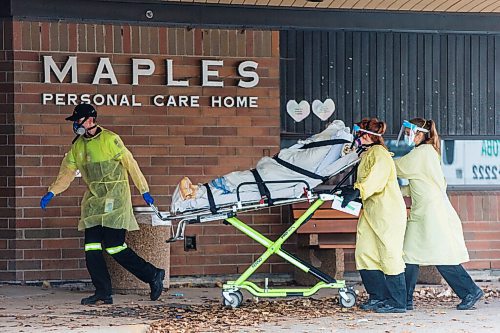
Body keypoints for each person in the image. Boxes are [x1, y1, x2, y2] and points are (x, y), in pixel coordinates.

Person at [40, 103, 165, 305]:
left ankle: (153, 275)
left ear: (90, 120)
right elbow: (67, 173)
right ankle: (103, 292)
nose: (75, 125)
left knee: (115, 247)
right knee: (92, 248)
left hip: (115, 201)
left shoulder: (110, 140)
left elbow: (130, 163)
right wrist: (52, 192)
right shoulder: (77, 146)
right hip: (94, 202)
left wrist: (144, 190)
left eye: (77, 121)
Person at [394, 118, 483, 311]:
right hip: (427, 212)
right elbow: (417, 185)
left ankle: (470, 291)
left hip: (431, 214)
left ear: (421, 133)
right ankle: (405, 299)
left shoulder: (422, 153)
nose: (409, 136)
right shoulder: (426, 152)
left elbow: (396, 167)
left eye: (412, 132)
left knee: (441, 257)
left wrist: (379, 157)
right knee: (410, 255)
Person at [340, 118, 407, 313]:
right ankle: (378, 297)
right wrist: (352, 190)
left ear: (367, 136)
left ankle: (397, 302)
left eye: (359, 134)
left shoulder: (380, 155)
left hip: (388, 213)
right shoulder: (367, 153)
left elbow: (374, 181)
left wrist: (357, 191)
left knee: (389, 255)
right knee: (365, 253)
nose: (356, 138)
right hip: (372, 212)